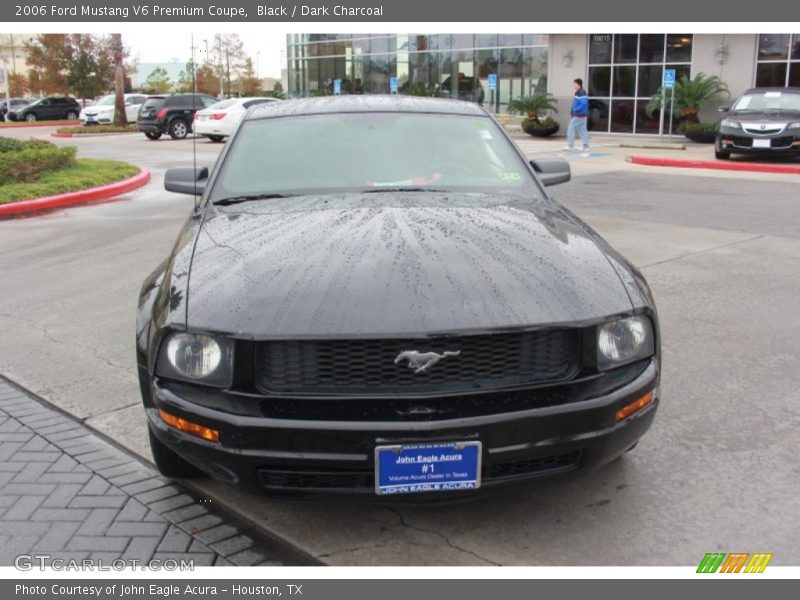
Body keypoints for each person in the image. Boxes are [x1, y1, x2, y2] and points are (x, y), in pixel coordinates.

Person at [565, 78, 590, 152]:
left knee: (570, 128)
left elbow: (584, 103)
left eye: (574, 84)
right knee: (582, 130)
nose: (573, 85)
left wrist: (576, 110)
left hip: (578, 115)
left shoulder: (581, 93)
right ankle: (586, 146)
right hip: (580, 115)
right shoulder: (579, 92)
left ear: (578, 84)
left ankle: (570, 145)